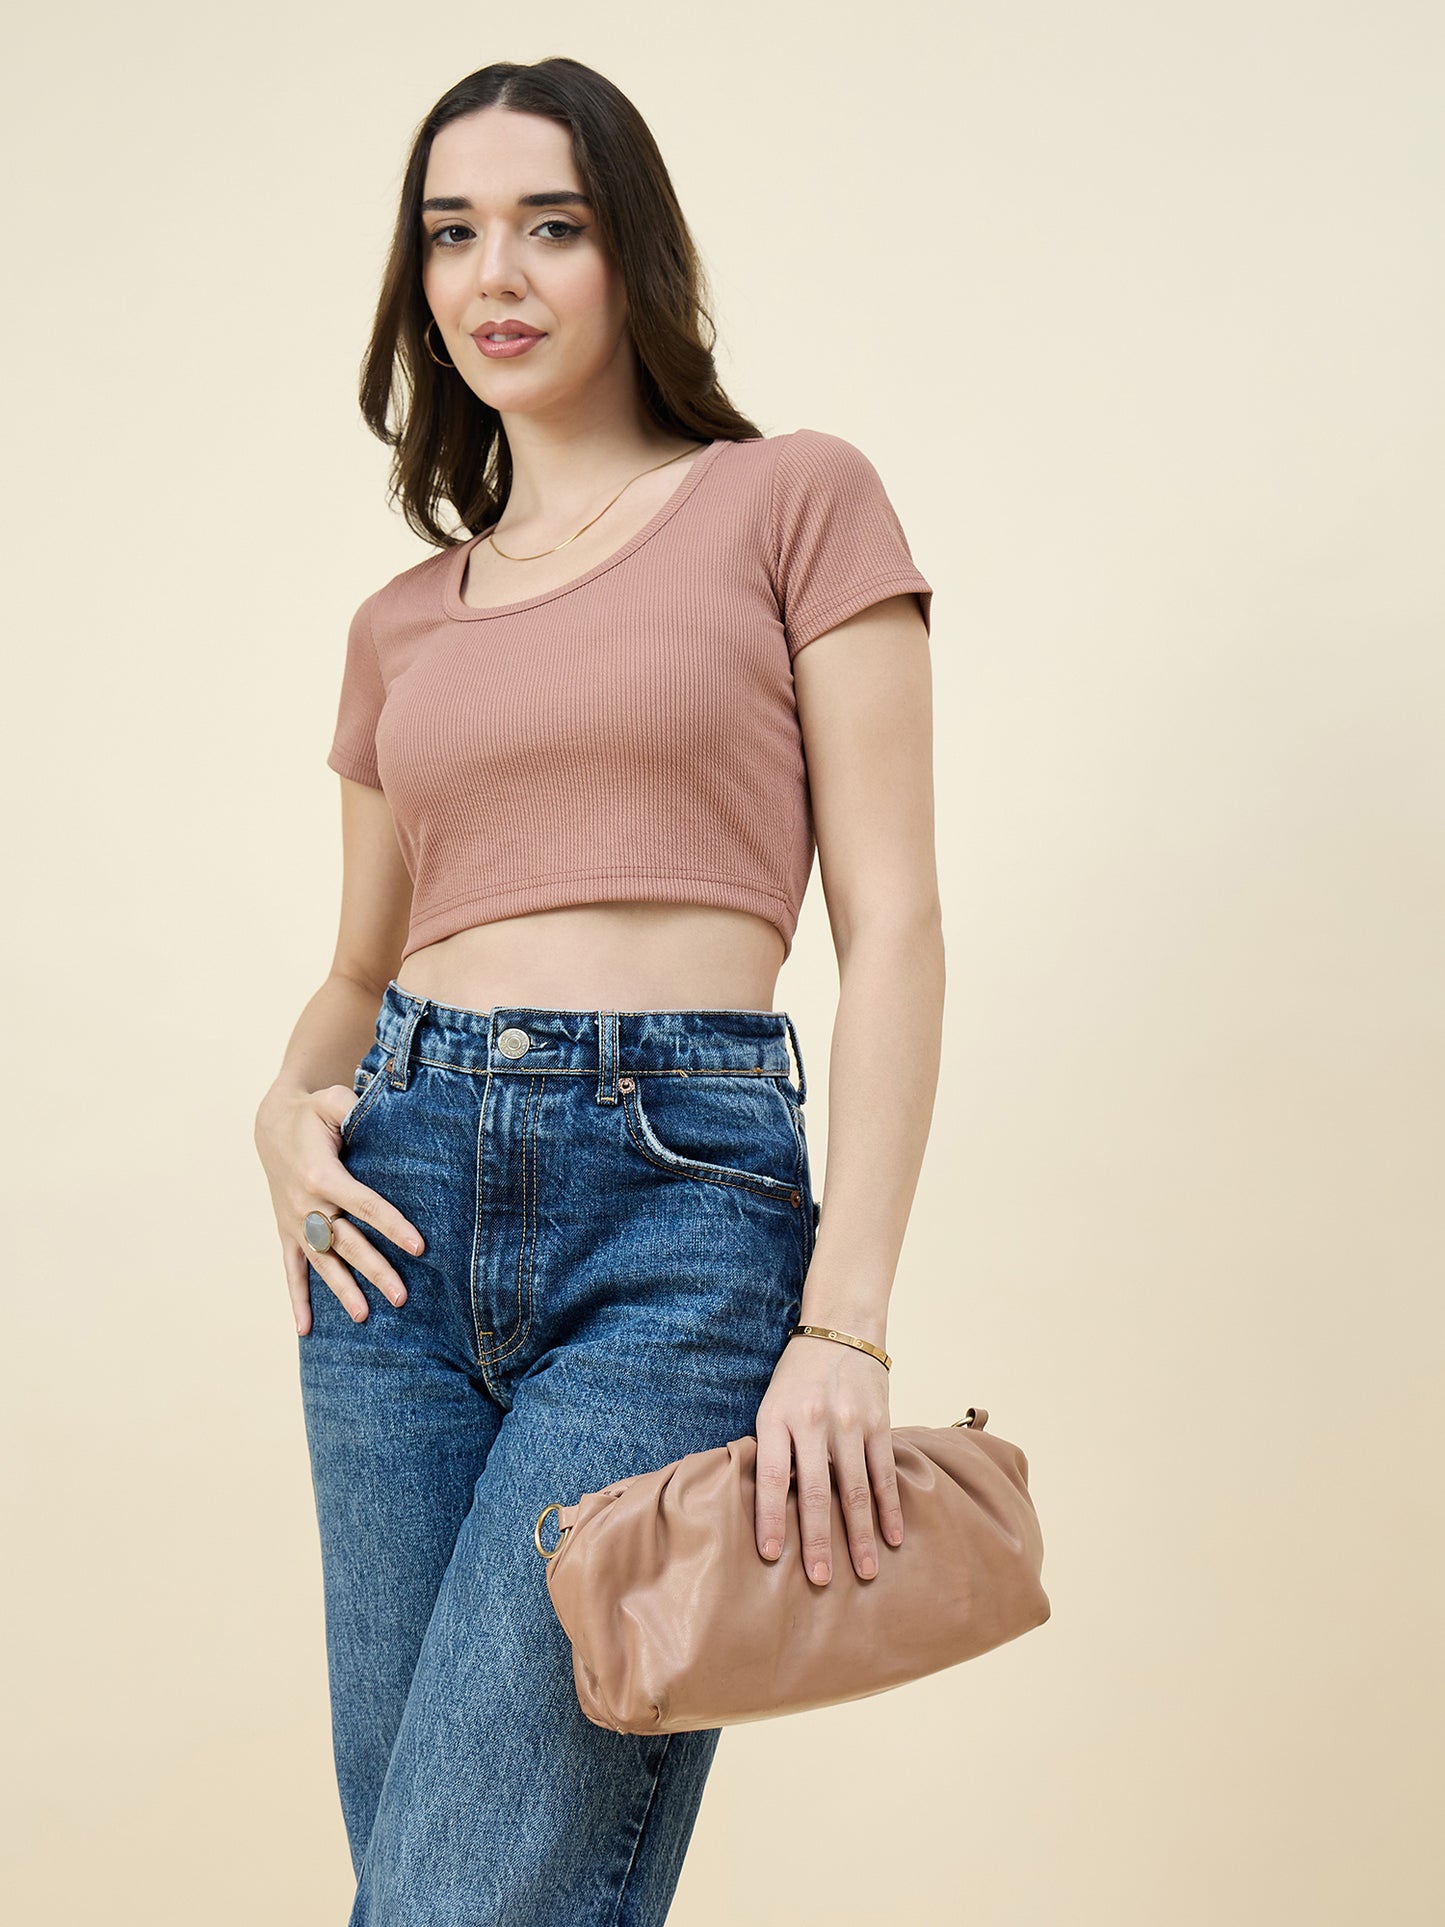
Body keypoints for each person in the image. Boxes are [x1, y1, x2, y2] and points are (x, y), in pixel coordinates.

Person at [252, 54, 944, 1927]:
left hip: (675, 1214)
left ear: (630, 250)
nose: (498, 274)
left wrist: (845, 1325)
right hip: (385, 1240)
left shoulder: (792, 502)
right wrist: (275, 1116)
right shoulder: (400, 626)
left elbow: (892, 926)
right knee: (426, 1875)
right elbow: (353, 973)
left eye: (549, 224)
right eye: (451, 233)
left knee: (464, 1894)